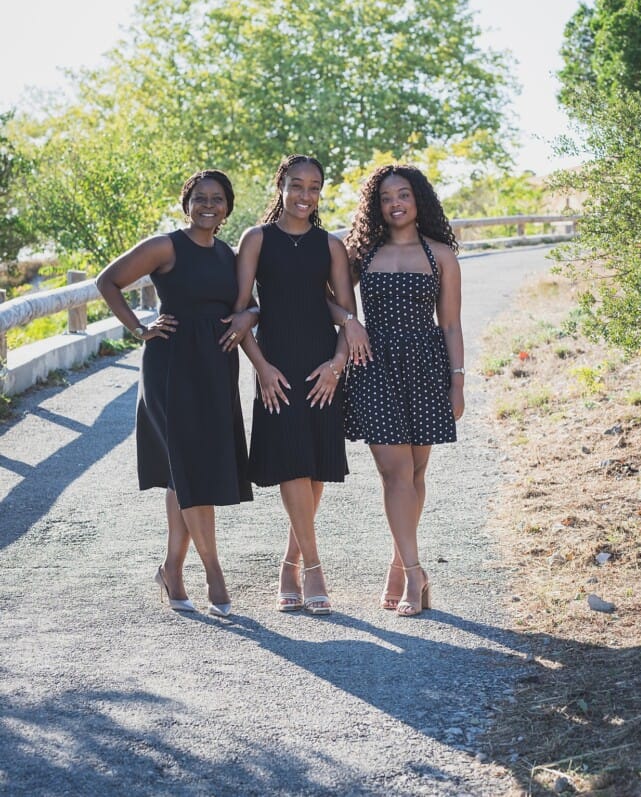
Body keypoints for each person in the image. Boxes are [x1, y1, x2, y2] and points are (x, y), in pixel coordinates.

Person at [96, 169, 252, 617]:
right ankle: (214, 574)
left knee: (183, 472)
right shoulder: (166, 246)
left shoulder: (230, 254)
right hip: (171, 366)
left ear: (227, 206)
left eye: (217, 198)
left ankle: (171, 570)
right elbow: (107, 281)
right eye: (200, 197)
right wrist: (139, 327)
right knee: (191, 468)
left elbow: (249, 301)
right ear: (187, 203)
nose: (209, 204)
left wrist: (251, 317)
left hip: (217, 368)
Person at [224, 155, 368, 615]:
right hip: (277, 365)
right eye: (296, 186)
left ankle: (290, 563)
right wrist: (261, 368)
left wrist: (337, 365)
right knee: (291, 462)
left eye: (315, 187)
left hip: (321, 364)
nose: (305, 195)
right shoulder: (256, 239)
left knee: (313, 465)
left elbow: (346, 313)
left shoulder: (331, 246)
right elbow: (241, 312)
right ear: (280, 186)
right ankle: (314, 568)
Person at [343, 164, 465, 617]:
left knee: (414, 473)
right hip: (374, 366)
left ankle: (398, 563)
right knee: (394, 473)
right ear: (376, 207)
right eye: (386, 197)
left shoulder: (441, 257)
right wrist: (350, 322)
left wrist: (458, 381)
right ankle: (417, 572)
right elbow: (331, 295)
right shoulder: (363, 255)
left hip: (427, 369)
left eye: (404, 195)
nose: (395, 204)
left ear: (419, 202)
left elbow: (450, 324)